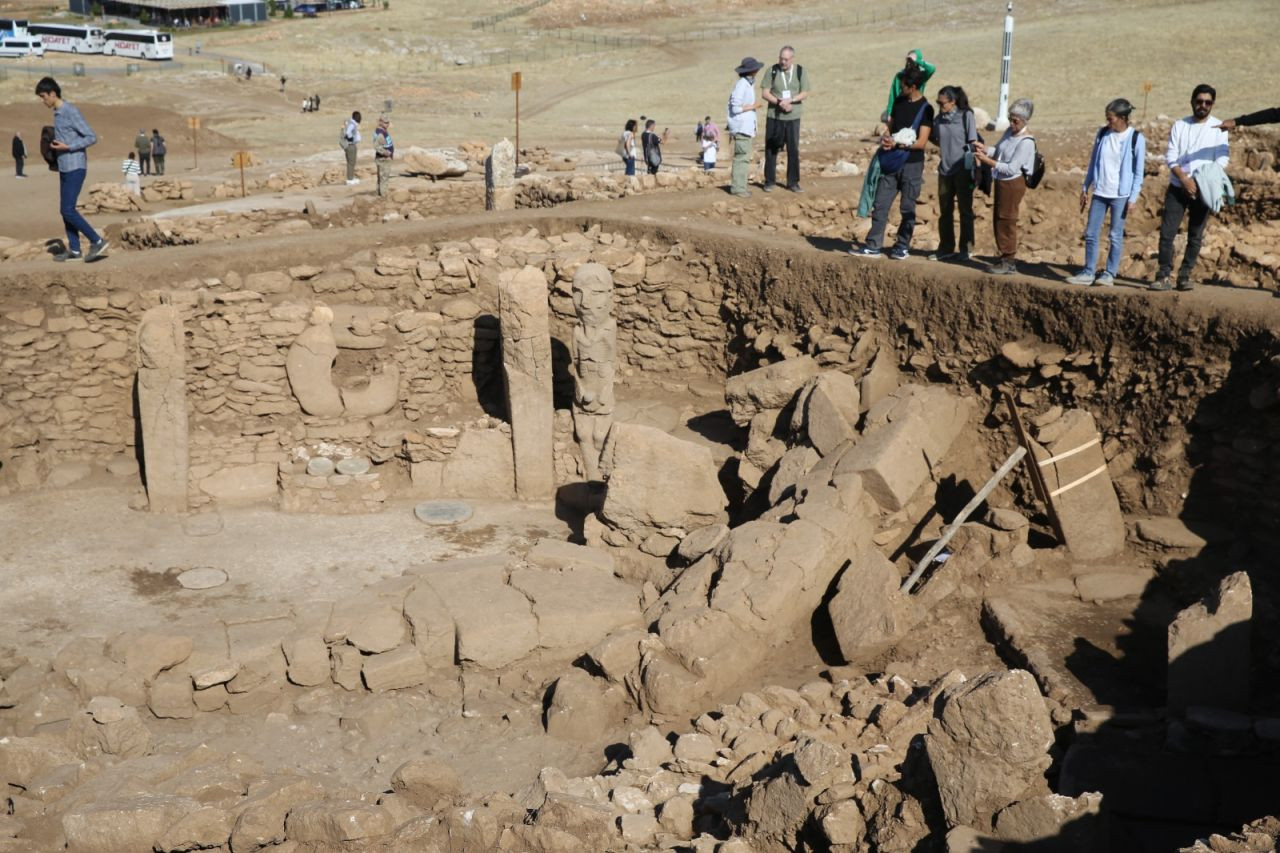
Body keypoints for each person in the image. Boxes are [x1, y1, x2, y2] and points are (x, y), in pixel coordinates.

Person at [851, 64, 934, 260]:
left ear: (913, 86)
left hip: (912, 164)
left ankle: (902, 246)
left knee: (907, 207)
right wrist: (887, 139)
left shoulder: (926, 109)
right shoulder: (898, 102)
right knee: (880, 203)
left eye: (904, 85)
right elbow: (890, 128)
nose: (900, 88)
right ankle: (873, 245)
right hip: (891, 162)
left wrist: (898, 143)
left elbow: (921, 142)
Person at [1153, 84, 1228, 291]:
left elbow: (1222, 160)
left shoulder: (1219, 128)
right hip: (1178, 186)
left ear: (1212, 104)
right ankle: (1163, 275)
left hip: (1203, 189)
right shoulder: (1180, 125)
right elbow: (1171, 156)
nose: (1202, 105)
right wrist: (1185, 180)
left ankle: (1185, 276)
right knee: (1167, 233)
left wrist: (1199, 181)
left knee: (1195, 235)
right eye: (1199, 101)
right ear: (1192, 101)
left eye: (1207, 102)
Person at [1065, 98, 1146, 287]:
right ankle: (1088, 271)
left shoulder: (1136, 139)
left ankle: (1109, 273)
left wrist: (1133, 197)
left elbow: (1138, 172)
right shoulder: (1102, 134)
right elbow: (1094, 162)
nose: (1108, 122)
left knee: (1115, 235)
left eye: (1111, 118)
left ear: (1123, 118)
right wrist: (1086, 187)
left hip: (1121, 195)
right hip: (1100, 192)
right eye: (1107, 118)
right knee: (1092, 233)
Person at [36, 77, 108, 263]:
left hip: (76, 166)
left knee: (68, 210)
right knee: (64, 209)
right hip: (64, 167)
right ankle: (75, 250)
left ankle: (97, 240)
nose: (42, 101)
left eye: (43, 97)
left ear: (53, 93)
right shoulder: (58, 113)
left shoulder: (70, 111)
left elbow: (91, 137)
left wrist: (68, 146)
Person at [972, 98, 1036, 275]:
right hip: (1001, 181)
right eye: (1010, 119)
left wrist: (988, 162)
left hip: (1012, 183)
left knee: (1007, 219)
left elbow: (1011, 168)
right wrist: (985, 149)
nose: (1011, 123)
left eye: (1015, 121)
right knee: (999, 218)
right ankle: (1003, 256)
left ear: (1024, 121)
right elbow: (1000, 151)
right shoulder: (1009, 132)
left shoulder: (1026, 142)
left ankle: (1009, 259)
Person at [929, 85, 978, 261]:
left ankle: (966, 248)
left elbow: (973, 142)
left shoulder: (966, 116)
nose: (940, 107)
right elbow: (935, 138)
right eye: (938, 103)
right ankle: (946, 247)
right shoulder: (937, 120)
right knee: (945, 211)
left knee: (965, 210)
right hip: (945, 171)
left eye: (943, 103)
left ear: (953, 101)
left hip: (963, 171)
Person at [760, 45, 811, 193]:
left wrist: (791, 100)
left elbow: (805, 92)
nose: (783, 62)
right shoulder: (772, 71)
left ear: (792, 59)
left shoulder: (800, 71)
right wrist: (779, 102)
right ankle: (769, 181)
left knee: (793, 149)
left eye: (786, 59)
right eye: (781, 58)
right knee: (771, 149)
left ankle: (793, 182)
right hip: (774, 116)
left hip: (793, 117)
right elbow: (765, 93)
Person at [727, 56, 763, 197]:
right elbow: (735, 107)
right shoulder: (742, 84)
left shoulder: (747, 83)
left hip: (746, 127)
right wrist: (754, 106)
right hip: (742, 127)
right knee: (741, 157)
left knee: (744, 157)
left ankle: (740, 186)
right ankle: (738, 188)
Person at [884, 49, 936, 122]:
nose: (909, 62)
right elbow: (893, 94)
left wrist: (918, 60)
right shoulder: (900, 75)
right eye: (908, 59)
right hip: (900, 106)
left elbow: (932, 68)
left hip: (916, 106)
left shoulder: (921, 75)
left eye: (911, 59)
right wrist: (890, 112)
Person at [373, 116, 393, 197]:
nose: (387, 124)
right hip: (383, 159)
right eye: (385, 122)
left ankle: (379, 193)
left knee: (381, 177)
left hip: (383, 158)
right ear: (380, 122)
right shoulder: (380, 133)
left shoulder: (383, 131)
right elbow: (376, 146)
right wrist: (385, 153)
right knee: (384, 177)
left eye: (388, 122)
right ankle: (383, 195)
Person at [342, 110, 361, 185]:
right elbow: (348, 132)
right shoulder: (352, 124)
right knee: (351, 162)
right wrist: (351, 138)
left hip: (351, 145)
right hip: (351, 145)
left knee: (352, 162)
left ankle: (351, 177)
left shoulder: (351, 123)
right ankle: (350, 179)